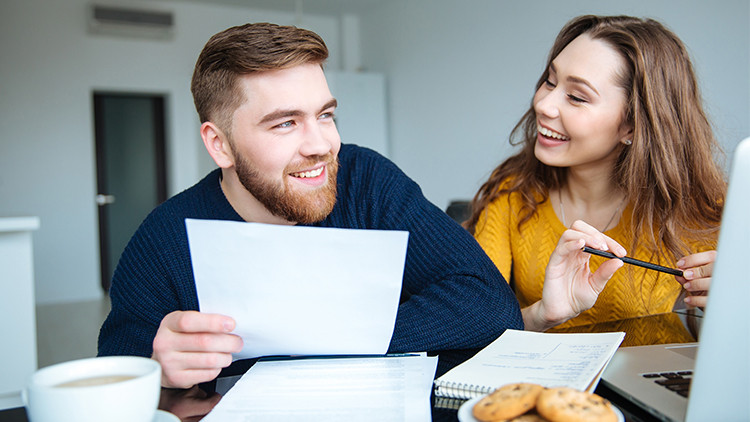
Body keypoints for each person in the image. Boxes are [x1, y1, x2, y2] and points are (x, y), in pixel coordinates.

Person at [97, 22, 525, 389]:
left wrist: (325, 338)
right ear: (219, 144)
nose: (322, 145)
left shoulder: (366, 180)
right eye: (285, 123)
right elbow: (114, 378)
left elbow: (488, 302)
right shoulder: (164, 239)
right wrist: (156, 371)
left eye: (325, 115)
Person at [464, 15, 725, 332]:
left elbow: (711, 348)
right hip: (546, 381)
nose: (544, 104)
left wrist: (731, 309)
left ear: (632, 125)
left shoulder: (702, 211)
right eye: (550, 81)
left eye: (576, 97)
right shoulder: (512, 195)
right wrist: (543, 315)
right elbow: (470, 327)